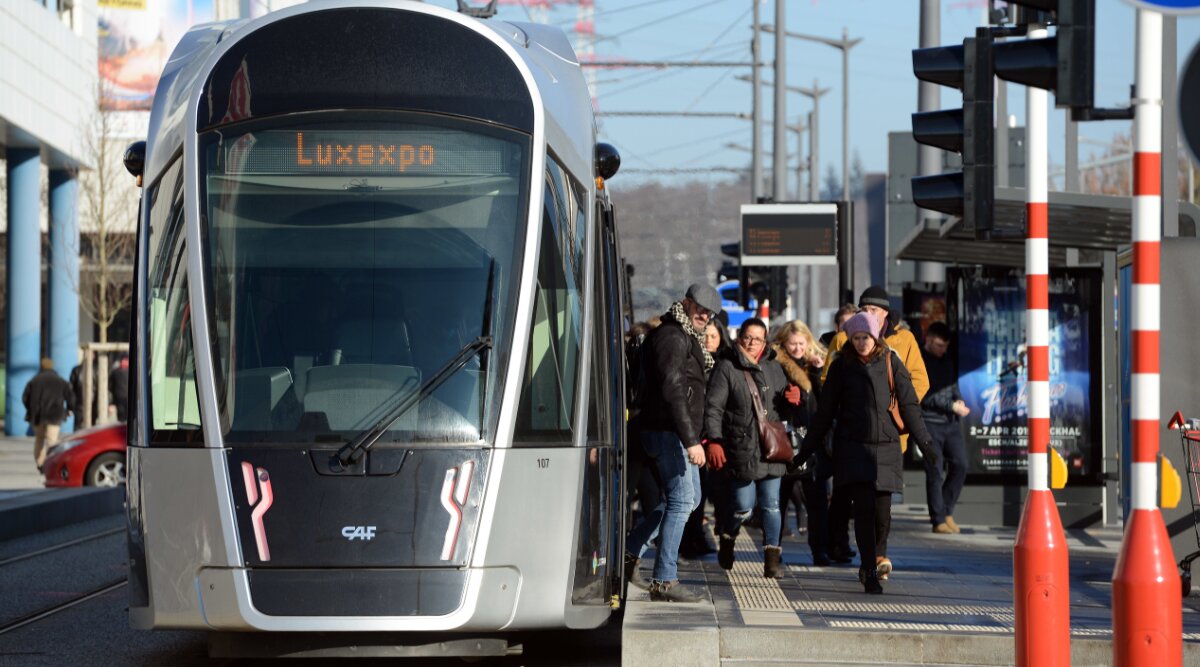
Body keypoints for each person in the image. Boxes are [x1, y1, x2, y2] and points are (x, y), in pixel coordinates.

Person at [796, 313, 934, 594]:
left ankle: (878, 553)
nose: (861, 343)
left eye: (866, 338)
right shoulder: (841, 367)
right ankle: (869, 568)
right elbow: (825, 414)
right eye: (856, 338)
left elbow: (909, 405)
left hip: (886, 446)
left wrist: (926, 444)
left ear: (876, 338)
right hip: (853, 447)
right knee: (864, 510)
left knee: (883, 512)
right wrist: (805, 450)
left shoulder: (891, 362)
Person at [624, 283, 722, 602]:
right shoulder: (672, 337)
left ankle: (629, 553)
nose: (704, 316)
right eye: (700, 309)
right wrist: (692, 441)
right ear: (686, 303)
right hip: (668, 431)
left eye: (709, 313)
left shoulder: (684, 336)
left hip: (673, 430)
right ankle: (664, 580)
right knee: (681, 501)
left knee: (685, 501)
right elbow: (673, 389)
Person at [821, 286, 930, 572]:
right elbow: (827, 381)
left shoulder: (903, 341)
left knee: (881, 503)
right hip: (852, 437)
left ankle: (877, 555)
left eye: (874, 310)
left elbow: (919, 381)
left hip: (890, 437)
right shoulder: (844, 338)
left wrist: (896, 406)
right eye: (864, 309)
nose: (868, 314)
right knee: (847, 499)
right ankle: (846, 546)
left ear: (885, 315)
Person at [704, 318, 794, 578]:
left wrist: (794, 400)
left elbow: (782, 408)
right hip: (741, 446)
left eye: (758, 338)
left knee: (771, 505)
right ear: (739, 337)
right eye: (748, 337)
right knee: (743, 506)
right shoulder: (727, 367)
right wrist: (715, 441)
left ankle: (772, 560)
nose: (753, 342)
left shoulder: (775, 367)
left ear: (765, 341)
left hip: (772, 447)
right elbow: (713, 408)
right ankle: (728, 536)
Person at [772, 319, 830, 566]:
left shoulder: (815, 364)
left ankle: (819, 549)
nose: (797, 348)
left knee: (817, 501)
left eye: (801, 343)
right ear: (783, 343)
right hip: (784, 441)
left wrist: (817, 374)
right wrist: (787, 399)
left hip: (812, 441)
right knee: (779, 501)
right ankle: (774, 551)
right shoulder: (775, 364)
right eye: (792, 344)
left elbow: (824, 402)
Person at [679, 320, 735, 559]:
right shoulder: (691, 362)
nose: (709, 341)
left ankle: (721, 534)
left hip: (723, 438)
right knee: (695, 493)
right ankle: (692, 537)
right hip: (697, 437)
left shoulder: (727, 364)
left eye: (713, 336)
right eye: (705, 336)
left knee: (723, 493)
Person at [919, 322, 970, 534]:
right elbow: (924, 396)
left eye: (945, 346)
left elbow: (952, 385)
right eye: (939, 345)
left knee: (961, 464)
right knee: (935, 470)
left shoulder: (947, 360)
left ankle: (947, 510)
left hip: (950, 423)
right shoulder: (921, 361)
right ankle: (938, 519)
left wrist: (958, 401)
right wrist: (951, 405)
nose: (943, 350)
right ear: (929, 341)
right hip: (930, 422)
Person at [23, 358, 76, 471]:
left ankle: (40, 463)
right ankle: (50, 463)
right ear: (52, 367)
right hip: (55, 415)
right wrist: (69, 409)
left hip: (37, 415)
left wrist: (31, 409)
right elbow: (70, 397)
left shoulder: (34, 381)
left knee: (39, 439)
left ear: (41, 367)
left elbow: (25, 398)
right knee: (52, 440)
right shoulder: (60, 381)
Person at [109, 356, 130, 423]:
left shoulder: (115, 372)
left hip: (121, 398)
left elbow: (110, 387)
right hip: (124, 398)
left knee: (122, 419)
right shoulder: (116, 372)